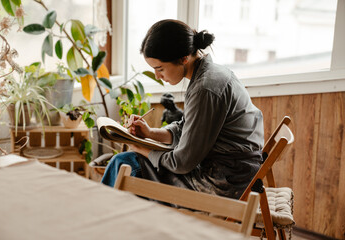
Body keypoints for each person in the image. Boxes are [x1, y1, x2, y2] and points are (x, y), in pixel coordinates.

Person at [101, 19, 264, 199]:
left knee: (125, 163)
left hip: (223, 181)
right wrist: (149, 133)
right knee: (128, 162)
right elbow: (186, 128)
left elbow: (183, 162)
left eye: (160, 68)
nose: (157, 76)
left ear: (184, 58)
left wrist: (141, 149)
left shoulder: (206, 88)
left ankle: (104, 221)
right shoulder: (208, 76)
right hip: (232, 170)